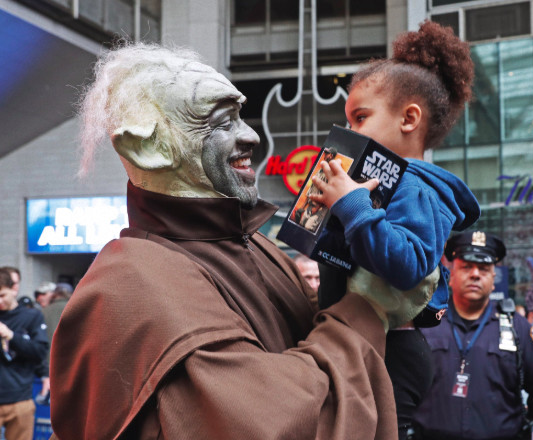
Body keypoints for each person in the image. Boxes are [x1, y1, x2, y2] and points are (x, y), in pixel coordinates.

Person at [47, 43, 418, 440]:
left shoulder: (254, 244)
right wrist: (367, 307)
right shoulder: (131, 284)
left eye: (240, 117)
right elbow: (275, 423)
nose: (251, 135)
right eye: (222, 122)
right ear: (146, 147)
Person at [309, 20, 480, 330]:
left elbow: (409, 264)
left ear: (409, 118)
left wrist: (352, 206)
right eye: (349, 121)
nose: (351, 131)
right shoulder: (376, 182)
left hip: (392, 353)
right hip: (356, 340)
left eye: (360, 118)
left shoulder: (418, 188)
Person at [412, 231, 533, 440]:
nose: (475, 274)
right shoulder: (426, 323)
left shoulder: (516, 327)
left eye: (484, 269)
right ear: (451, 274)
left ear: (494, 278)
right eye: (466, 267)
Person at [0, 267, 49, 440]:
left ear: (13, 290)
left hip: (20, 398)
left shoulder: (31, 316)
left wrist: (11, 336)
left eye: (2, 295)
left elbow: (40, 351)